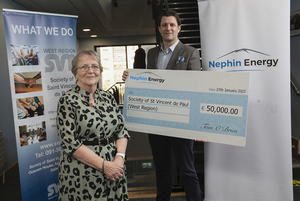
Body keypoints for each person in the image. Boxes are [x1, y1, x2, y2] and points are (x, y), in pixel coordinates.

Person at [122, 10, 202, 201]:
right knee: (162, 170)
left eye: (172, 25)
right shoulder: (151, 54)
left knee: (187, 170)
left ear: (179, 28)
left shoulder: (190, 52)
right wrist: (131, 78)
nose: (168, 28)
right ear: (159, 29)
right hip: (157, 122)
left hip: (181, 122)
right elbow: (148, 83)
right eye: (164, 25)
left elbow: (196, 88)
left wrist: (198, 124)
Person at [56, 49, 130, 201]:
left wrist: (119, 159)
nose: (90, 70)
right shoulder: (67, 101)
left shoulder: (108, 97)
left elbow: (122, 131)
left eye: (95, 66)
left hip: (115, 169)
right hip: (82, 172)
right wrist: (104, 166)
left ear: (100, 71)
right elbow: (70, 143)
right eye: (84, 67)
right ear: (75, 73)